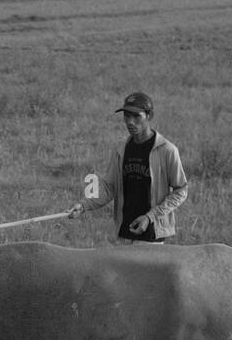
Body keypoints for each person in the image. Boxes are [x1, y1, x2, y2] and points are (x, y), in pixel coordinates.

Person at [68, 91, 189, 244]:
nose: (130, 122)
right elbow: (108, 187)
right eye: (126, 116)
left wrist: (150, 216)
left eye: (136, 116)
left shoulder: (167, 151)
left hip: (151, 233)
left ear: (149, 116)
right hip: (124, 233)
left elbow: (181, 191)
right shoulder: (121, 150)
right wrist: (83, 205)